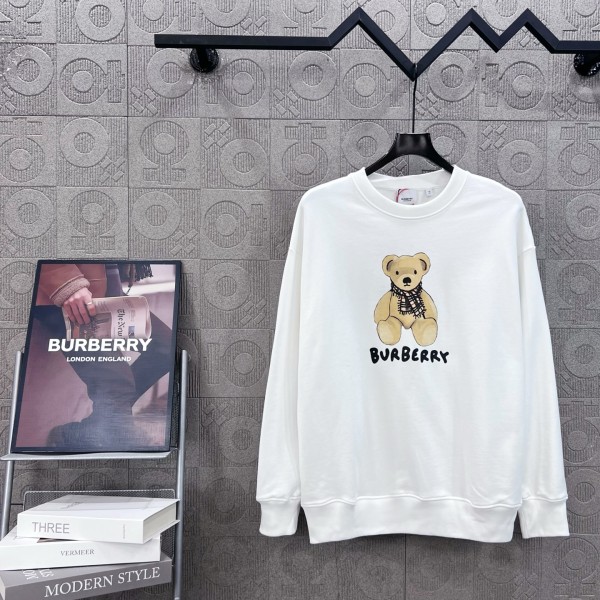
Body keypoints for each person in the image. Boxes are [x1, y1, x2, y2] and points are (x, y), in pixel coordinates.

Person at [32, 262, 174, 451]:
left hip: (105, 291)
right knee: (116, 384)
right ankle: (114, 434)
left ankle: (95, 428)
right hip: (74, 300)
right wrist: (66, 284)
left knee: (165, 348)